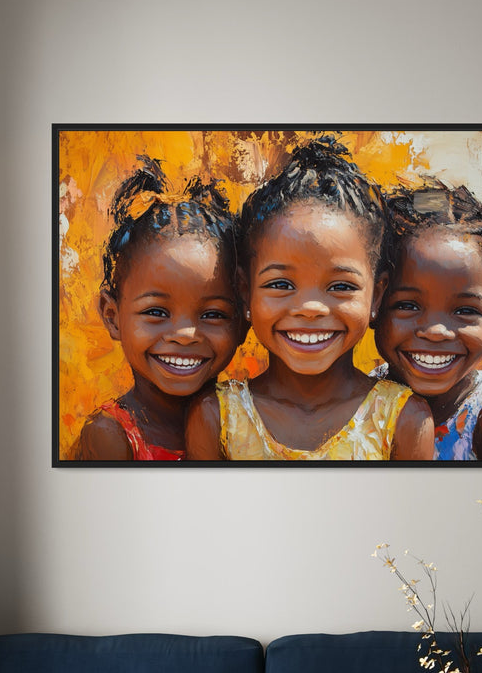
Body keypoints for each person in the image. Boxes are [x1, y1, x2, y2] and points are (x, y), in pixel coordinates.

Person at [186, 136, 433, 461]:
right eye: (281, 284)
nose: (310, 309)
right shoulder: (216, 418)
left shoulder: (404, 420)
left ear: (377, 296)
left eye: (341, 287)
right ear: (246, 293)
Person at [74, 157, 244, 461]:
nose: (184, 335)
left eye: (213, 314)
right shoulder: (109, 436)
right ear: (112, 317)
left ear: (245, 320)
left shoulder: (249, 425)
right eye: (156, 312)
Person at [374, 181, 482, 461]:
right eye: (408, 305)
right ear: (375, 303)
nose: (436, 331)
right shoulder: (365, 403)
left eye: (465, 311)